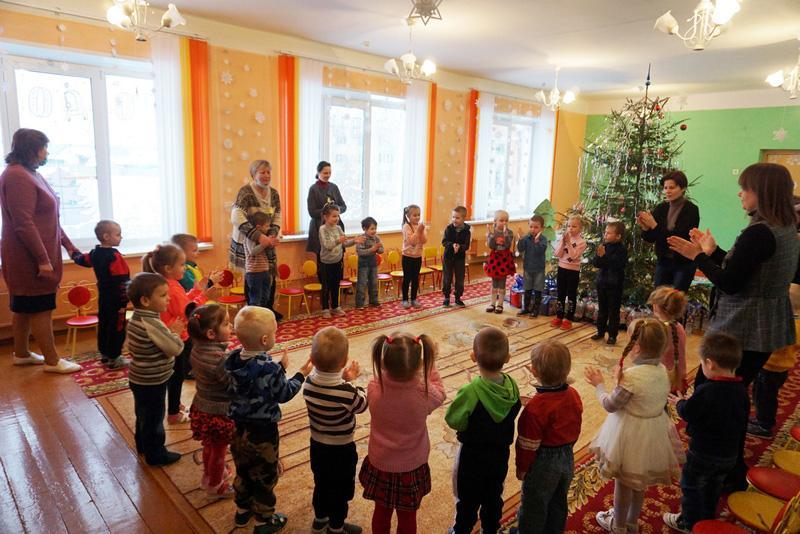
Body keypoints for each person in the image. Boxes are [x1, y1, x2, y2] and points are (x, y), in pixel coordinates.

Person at [667, 162, 799, 488]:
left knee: (714, 395)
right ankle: (731, 466)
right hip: (765, 323)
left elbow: (730, 282)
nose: (740, 194)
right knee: (734, 396)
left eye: (746, 188)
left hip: (743, 326)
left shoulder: (759, 232)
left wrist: (698, 256)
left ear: (762, 193)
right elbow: (747, 267)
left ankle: (717, 470)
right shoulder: (785, 226)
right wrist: (713, 252)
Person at [584, 318, 684, 534]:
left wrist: (600, 386)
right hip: (653, 434)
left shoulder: (632, 377)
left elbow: (611, 405)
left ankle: (618, 526)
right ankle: (631, 523)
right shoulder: (663, 371)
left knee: (623, 484)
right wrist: (620, 380)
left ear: (636, 348)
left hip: (629, 437)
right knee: (639, 482)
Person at [225, 306, 312, 532]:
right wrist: (300, 374)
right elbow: (283, 393)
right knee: (264, 476)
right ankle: (264, 521)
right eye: (275, 332)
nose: (276, 335)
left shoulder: (232, 360)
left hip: (238, 428)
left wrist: (279, 369)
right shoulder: (269, 369)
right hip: (263, 432)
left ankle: (242, 511)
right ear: (265, 340)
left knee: (243, 470)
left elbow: (254, 379)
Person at [1, 128, 81, 373]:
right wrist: (43, 259)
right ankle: (52, 361)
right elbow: (23, 222)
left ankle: (22, 353)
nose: (46, 152)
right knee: (40, 307)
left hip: (37, 251)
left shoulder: (31, 174)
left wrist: (69, 246)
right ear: (32, 149)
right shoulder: (16, 176)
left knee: (23, 306)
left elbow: (50, 218)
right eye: (44, 147)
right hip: (28, 256)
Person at [359, 332, 446, 534]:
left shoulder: (374, 387)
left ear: (383, 362)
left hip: (380, 463)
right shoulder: (424, 393)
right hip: (411, 466)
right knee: (408, 517)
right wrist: (430, 365)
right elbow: (441, 393)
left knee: (381, 512)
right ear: (419, 366)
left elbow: (382, 374)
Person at [662, 333, 749, 533]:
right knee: (713, 487)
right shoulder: (741, 391)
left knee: (691, 486)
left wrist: (680, 403)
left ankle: (689, 522)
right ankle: (707, 517)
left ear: (710, 364)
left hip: (703, 452)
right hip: (729, 454)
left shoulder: (707, 391)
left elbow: (689, 412)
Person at [445, 327, 521, 534]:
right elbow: (515, 409)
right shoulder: (512, 387)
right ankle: (490, 529)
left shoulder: (470, 391)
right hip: (499, 455)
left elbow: (454, 420)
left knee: (467, 500)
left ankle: (461, 530)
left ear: (473, 356)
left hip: (472, 456)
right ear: (508, 358)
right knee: (493, 496)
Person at [143, 244, 218, 425]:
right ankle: (173, 413)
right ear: (169, 268)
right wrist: (204, 296)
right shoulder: (172, 287)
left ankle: (175, 404)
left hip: (174, 336)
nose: (185, 268)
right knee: (177, 376)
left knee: (176, 374)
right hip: (178, 338)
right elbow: (189, 311)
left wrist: (198, 290)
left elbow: (183, 302)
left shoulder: (167, 283)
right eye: (182, 265)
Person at [302, 327, 367, 534]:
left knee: (321, 483)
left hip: (317, 445)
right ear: (343, 361)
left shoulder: (308, 384)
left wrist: (344, 380)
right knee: (340, 490)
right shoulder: (347, 392)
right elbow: (362, 404)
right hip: (341, 449)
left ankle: (320, 520)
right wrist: (352, 381)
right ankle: (336, 528)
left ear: (312, 359)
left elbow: (327, 385)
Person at [515, 340, 583, 534]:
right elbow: (575, 425)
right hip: (567, 457)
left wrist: (522, 468)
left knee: (534, 506)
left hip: (543, 463)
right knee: (558, 501)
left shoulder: (535, 408)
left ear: (534, 371)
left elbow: (527, 444)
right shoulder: (573, 394)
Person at [125, 272, 185, 466]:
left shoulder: (137, 317)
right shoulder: (152, 323)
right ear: (145, 301)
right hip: (152, 380)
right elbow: (175, 349)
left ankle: (143, 445)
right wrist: (175, 333)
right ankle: (156, 455)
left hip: (139, 378)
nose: (168, 298)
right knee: (154, 418)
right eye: (163, 295)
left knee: (143, 414)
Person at [187, 303, 235, 498]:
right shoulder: (220, 359)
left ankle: (209, 475)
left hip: (202, 406)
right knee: (219, 451)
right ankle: (215, 485)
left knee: (210, 445)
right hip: (218, 412)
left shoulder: (197, 349)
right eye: (226, 324)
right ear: (211, 334)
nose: (231, 326)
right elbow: (231, 385)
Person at [71, 220, 130, 369]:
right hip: (117, 300)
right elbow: (123, 280)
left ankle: (105, 353)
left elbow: (81, 259)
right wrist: (127, 298)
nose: (121, 237)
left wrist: (73, 253)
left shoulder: (95, 253)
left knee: (104, 324)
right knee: (117, 326)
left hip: (104, 298)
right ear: (106, 237)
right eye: (118, 234)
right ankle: (115, 357)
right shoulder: (115, 256)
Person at [229, 160, 282, 319]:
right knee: (252, 276)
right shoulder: (245, 192)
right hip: (248, 240)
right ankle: (252, 314)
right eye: (262, 172)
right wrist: (259, 236)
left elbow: (277, 216)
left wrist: (271, 236)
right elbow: (236, 216)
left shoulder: (274, 193)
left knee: (269, 273)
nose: (266, 175)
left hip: (267, 239)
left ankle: (268, 309)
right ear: (253, 175)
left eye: (268, 172)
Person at [748, 285, 800, 438]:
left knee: (765, 397)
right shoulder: (794, 322)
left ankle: (764, 425)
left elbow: (772, 343)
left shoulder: (788, 325)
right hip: (779, 367)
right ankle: (761, 419)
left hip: (771, 367)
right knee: (764, 394)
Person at [636, 170, 700, 292]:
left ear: (683, 188)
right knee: (659, 297)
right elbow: (651, 238)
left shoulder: (691, 210)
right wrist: (645, 227)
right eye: (665, 188)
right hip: (663, 261)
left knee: (676, 299)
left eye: (672, 187)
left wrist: (654, 225)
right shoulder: (661, 208)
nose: (667, 191)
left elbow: (678, 238)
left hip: (683, 263)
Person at [319, 204, 365, 318]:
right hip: (326, 263)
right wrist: (338, 240)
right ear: (326, 217)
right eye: (334, 216)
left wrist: (354, 241)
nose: (337, 218)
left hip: (337, 261)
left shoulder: (338, 228)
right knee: (326, 287)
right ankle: (325, 309)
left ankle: (335, 307)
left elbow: (344, 243)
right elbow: (327, 245)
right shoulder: (322, 229)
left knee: (336, 285)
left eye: (338, 216)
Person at [591, 221, 628, 345]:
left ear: (618, 236)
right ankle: (600, 332)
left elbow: (617, 264)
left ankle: (612, 335)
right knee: (602, 309)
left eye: (609, 233)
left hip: (615, 285)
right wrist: (599, 256)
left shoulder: (621, 249)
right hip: (602, 283)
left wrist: (604, 256)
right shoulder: (604, 246)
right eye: (605, 232)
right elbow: (596, 263)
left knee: (613, 311)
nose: (605, 235)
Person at [307, 161, 347, 271]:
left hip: (336, 227)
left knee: (338, 259)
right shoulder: (313, 189)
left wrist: (336, 211)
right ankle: (324, 281)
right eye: (325, 173)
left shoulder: (334, 187)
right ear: (318, 172)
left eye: (330, 173)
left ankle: (337, 281)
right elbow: (311, 212)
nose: (328, 175)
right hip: (319, 226)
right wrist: (326, 211)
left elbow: (344, 206)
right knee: (323, 262)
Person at [647, 287, 688, 393]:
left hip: (662, 380)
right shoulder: (679, 327)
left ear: (656, 306)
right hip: (679, 378)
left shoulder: (658, 329)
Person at [552, 216, 587, 329]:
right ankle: (559, 316)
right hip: (561, 268)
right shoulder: (564, 238)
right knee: (560, 293)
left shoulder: (582, 242)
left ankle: (568, 318)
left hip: (573, 271)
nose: (570, 228)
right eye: (569, 226)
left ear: (580, 228)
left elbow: (573, 256)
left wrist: (568, 243)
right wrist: (563, 242)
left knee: (571, 294)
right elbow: (557, 254)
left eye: (574, 226)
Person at [484, 209, 516, 314]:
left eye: (506, 221)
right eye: (501, 220)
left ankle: (500, 304)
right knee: (494, 282)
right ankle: (492, 303)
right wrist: (490, 236)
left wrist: (506, 235)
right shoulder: (493, 232)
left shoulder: (509, 232)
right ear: (495, 221)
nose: (504, 223)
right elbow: (492, 246)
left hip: (504, 259)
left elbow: (507, 245)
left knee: (502, 281)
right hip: (495, 259)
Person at [515, 215, 548, 317]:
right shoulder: (526, 238)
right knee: (527, 288)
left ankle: (536, 310)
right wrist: (520, 240)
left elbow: (540, 251)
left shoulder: (543, 239)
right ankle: (526, 308)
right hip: (528, 268)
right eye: (531, 227)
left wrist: (537, 242)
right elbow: (520, 249)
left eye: (536, 227)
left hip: (539, 269)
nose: (533, 229)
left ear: (542, 228)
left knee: (538, 289)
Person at [441, 206, 472, 308]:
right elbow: (444, 242)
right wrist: (452, 245)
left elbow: (466, 246)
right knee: (447, 278)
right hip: (448, 258)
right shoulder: (448, 229)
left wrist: (459, 247)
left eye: (457, 218)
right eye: (453, 217)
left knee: (459, 279)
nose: (454, 219)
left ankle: (458, 298)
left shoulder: (467, 231)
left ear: (463, 218)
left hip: (459, 259)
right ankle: (446, 297)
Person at [244, 211, 273, 308]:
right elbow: (252, 251)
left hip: (264, 271)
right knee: (255, 298)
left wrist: (271, 243)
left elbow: (265, 251)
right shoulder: (250, 238)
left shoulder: (264, 237)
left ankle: (261, 314)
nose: (269, 228)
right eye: (267, 226)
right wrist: (264, 244)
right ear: (258, 227)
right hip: (254, 273)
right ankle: (253, 315)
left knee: (265, 297)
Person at [401, 204, 427, 309]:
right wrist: (418, 230)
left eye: (419, 215)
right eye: (415, 215)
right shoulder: (406, 226)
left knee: (415, 279)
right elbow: (412, 242)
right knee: (407, 278)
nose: (417, 217)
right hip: (407, 257)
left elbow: (424, 241)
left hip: (417, 257)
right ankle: (405, 300)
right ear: (408, 216)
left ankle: (414, 299)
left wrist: (421, 231)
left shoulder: (420, 226)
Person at [355, 217, 384, 309]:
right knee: (362, 283)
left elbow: (381, 250)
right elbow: (360, 252)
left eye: (375, 228)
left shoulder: (376, 238)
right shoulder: (361, 238)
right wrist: (373, 249)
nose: (374, 231)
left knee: (374, 282)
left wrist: (378, 248)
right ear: (364, 229)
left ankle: (374, 301)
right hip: (363, 265)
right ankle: (360, 303)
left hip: (373, 264)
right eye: (372, 229)